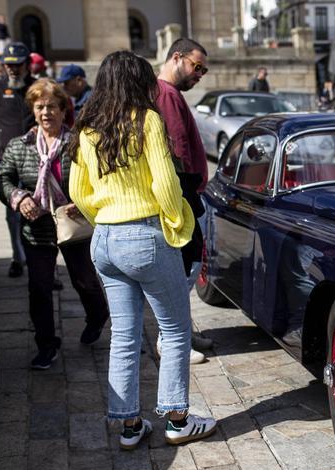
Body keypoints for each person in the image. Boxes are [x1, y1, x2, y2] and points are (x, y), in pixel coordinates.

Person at [69, 50, 218, 450]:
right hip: (145, 234)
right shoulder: (148, 120)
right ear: (137, 82)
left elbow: (77, 191)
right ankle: (177, 419)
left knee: (124, 334)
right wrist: (177, 221)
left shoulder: (87, 128)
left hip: (104, 239)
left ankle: (130, 426)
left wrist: (102, 215)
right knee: (173, 329)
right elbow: (167, 187)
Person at [0, 78, 109, 368]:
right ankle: (46, 345)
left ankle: (97, 316)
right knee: (40, 287)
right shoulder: (19, 146)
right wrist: (19, 198)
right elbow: (2, 179)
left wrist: (81, 202)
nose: (46, 112)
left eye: (52, 107)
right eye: (40, 107)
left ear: (63, 110)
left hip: (74, 224)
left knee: (85, 282)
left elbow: (100, 179)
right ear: (33, 111)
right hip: (37, 228)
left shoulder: (77, 144)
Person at [156, 38, 212, 362]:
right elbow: (177, 150)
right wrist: (187, 195)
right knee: (185, 271)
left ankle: (182, 330)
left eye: (203, 69)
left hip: (187, 192)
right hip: (184, 195)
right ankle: (170, 338)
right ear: (177, 58)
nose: (199, 74)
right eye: (196, 66)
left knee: (186, 269)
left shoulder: (171, 94)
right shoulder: (166, 94)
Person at [0, 42, 36, 278]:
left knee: (40, 214)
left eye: (17, 65)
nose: (13, 69)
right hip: (7, 163)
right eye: (8, 65)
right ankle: (17, 257)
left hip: (36, 162)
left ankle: (46, 267)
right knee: (12, 214)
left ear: (27, 65)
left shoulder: (37, 87)